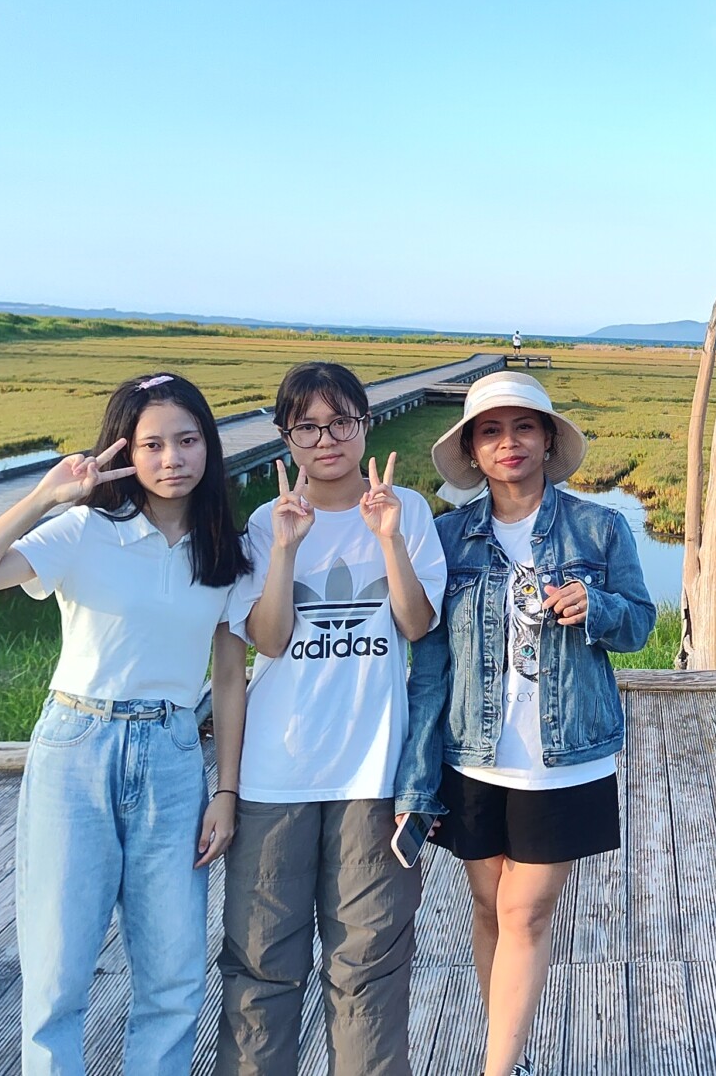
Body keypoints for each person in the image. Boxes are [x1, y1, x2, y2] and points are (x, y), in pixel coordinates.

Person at [0, 372, 250, 1076]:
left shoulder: (225, 550)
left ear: (210, 448)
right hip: (77, 746)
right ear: (123, 452)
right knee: (57, 973)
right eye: (153, 444)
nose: (173, 459)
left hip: (172, 753)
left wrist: (225, 792)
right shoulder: (82, 531)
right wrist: (43, 496)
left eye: (188, 440)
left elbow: (230, 679)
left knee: (172, 974)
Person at [213, 362, 445, 1076]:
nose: (327, 440)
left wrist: (387, 537)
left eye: (341, 421)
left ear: (364, 425)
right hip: (273, 775)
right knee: (261, 964)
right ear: (287, 437)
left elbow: (415, 622)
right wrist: (284, 548)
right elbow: (270, 639)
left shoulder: (406, 508)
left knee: (369, 965)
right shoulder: (264, 520)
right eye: (307, 426)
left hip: (372, 773)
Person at [419, 371, 654, 1076]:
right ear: (472, 450)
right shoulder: (445, 536)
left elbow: (641, 623)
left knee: (525, 912)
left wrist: (601, 609)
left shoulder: (598, 527)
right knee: (489, 907)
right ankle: (511, 1055)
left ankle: (495, 1070)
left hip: (568, 754)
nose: (508, 442)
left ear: (549, 439)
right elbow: (429, 658)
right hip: (473, 753)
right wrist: (417, 769)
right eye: (490, 431)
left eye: (524, 427)